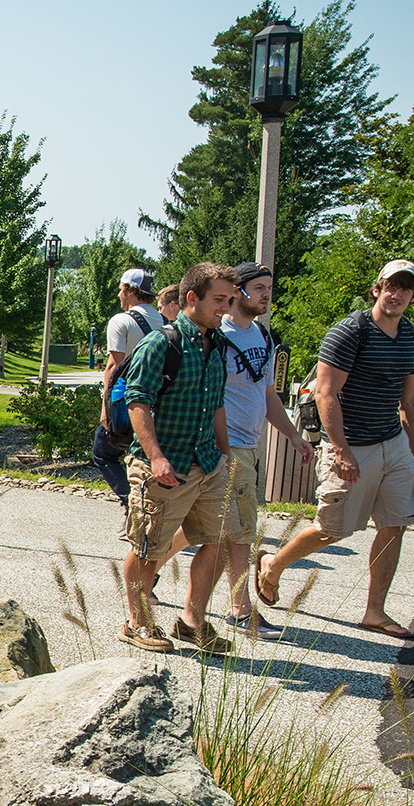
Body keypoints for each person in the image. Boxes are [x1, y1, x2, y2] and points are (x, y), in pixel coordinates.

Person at [256, 260, 414, 640]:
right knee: (332, 530)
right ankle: (272, 563)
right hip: (350, 444)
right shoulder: (351, 331)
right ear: (377, 289)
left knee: (394, 524)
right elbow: (325, 392)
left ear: (413, 296)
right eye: (391, 286)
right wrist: (342, 449)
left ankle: (374, 611)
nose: (397, 294)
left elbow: (412, 400)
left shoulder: (412, 336)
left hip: (393, 442)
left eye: (406, 289)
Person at [169, 261, 314, 641]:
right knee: (239, 531)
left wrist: (293, 436)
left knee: (219, 528)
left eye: (270, 288)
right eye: (260, 288)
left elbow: (268, 396)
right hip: (224, 448)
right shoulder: (217, 334)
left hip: (251, 446)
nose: (267, 295)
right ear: (239, 293)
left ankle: (154, 571)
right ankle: (240, 611)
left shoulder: (264, 338)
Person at [115, 261, 237, 655]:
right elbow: (138, 401)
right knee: (148, 547)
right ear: (191, 298)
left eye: (230, 300)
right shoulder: (161, 344)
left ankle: (191, 622)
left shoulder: (217, 344)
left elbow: (215, 404)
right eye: (219, 299)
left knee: (220, 540)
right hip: (164, 466)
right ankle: (136, 623)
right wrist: (156, 457)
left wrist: (225, 455)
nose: (226, 308)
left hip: (207, 463)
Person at [92, 267, 165, 509]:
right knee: (144, 456)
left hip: (127, 401)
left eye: (121, 289)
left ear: (131, 291)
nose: (118, 294)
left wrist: (106, 407)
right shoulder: (165, 322)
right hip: (158, 402)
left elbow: (114, 365)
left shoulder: (121, 321)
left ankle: (132, 505)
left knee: (103, 453)